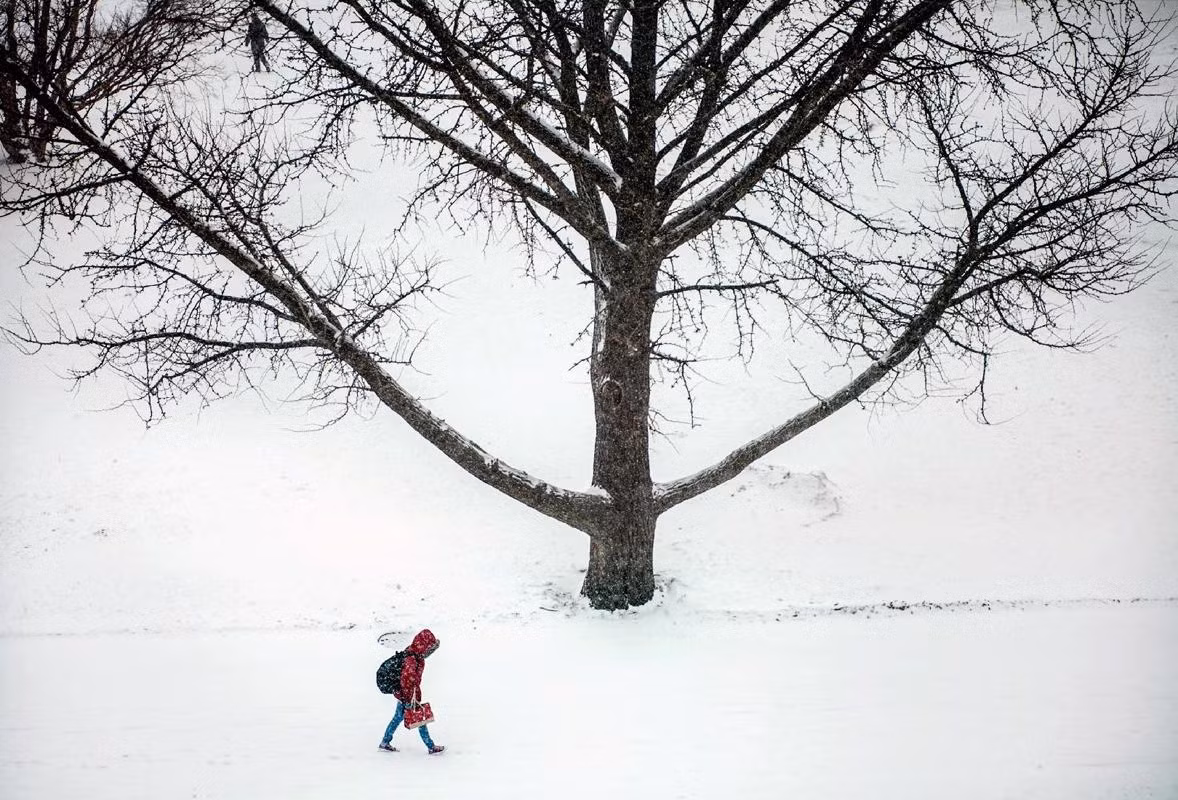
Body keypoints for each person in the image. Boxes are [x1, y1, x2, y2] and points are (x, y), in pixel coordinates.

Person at [379, 629, 445, 755]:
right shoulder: (411, 660)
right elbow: (407, 682)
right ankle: (431, 746)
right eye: (429, 649)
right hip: (407, 696)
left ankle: (385, 742)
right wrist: (412, 699)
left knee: (397, 718)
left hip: (403, 695)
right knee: (421, 720)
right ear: (423, 646)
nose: (430, 652)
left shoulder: (416, 655)